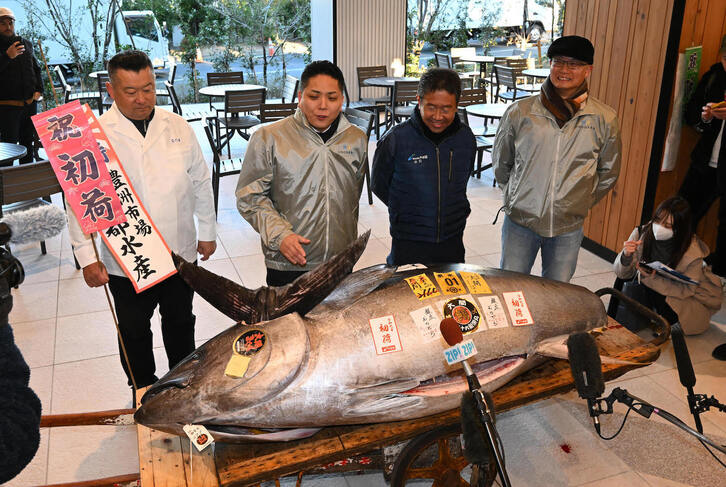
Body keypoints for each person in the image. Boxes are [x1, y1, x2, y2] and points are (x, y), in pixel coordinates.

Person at [67, 50, 217, 390]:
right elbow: (78, 203)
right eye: (130, 91)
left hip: (178, 250)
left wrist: (206, 230)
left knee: (181, 322)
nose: (141, 99)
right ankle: (143, 389)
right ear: (111, 90)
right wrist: (87, 258)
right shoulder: (92, 137)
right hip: (127, 256)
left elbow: (200, 181)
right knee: (134, 330)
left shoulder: (176, 125)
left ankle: (182, 386)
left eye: (148, 88)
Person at [492, 35, 621, 282]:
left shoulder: (603, 118)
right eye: (558, 62)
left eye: (573, 64)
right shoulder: (521, 111)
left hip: (567, 227)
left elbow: (609, 172)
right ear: (550, 64)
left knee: (558, 295)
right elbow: (501, 162)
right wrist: (514, 196)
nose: (564, 70)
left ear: (588, 70)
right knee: (510, 288)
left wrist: (579, 202)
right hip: (521, 221)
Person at [236, 60, 368, 286]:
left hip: (340, 262)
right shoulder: (269, 138)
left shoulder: (356, 139)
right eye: (314, 96)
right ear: (300, 98)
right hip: (290, 260)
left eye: (332, 98)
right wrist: (280, 236)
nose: (323, 106)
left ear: (342, 100)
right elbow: (250, 197)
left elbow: (352, 197)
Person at [371, 68, 476, 265]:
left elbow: (463, 178)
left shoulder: (466, 138)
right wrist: (406, 209)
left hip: (452, 238)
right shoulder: (396, 139)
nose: (438, 116)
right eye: (431, 107)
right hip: (409, 240)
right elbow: (378, 185)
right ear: (419, 101)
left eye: (446, 109)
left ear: (457, 105)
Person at [613, 196, 722, 336]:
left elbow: (687, 289)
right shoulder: (642, 232)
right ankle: (624, 318)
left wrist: (652, 279)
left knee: (661, 297)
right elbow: (621, 273)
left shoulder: (692, 251)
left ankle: (662, 321)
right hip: (649, 283)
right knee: (623, 279)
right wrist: (626, 256)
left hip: (673, 294)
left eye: (668, 226)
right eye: (657, 220)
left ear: (679, 229)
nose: (659, 228)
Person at [678, 34, 726, 278]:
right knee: (683, 214)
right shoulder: (715, 76)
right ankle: (676, 265)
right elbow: (691, 114)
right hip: (706, 161)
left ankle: (720, 276)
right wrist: (705, 117)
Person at [0, 7, 42, 165]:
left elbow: (36, 69)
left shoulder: (25, 44)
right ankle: (7, 186)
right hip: (6, 108)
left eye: (10, 23)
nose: (8, 27)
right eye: (3, 23)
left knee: (28, 144)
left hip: (30, 104)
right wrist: (7, 56)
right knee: (7, 149)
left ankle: (28, 181)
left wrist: (39, 90)